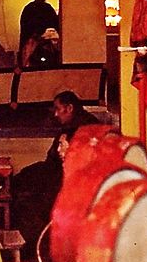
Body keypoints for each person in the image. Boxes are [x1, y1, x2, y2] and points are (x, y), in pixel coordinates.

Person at [11, 90, 98, 248]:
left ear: (69, 108)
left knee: (30, 200)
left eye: (58, 109)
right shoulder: (71, 124)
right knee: (21, 177)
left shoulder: (85, 127)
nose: (56, 114)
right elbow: (53, 158)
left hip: (68, 177)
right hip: (55, 170)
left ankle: (37, 245)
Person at [19, 0, 59, 68]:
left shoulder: (48, 9)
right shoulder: (29, 9)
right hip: (32, 42)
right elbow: (25, 27)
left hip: (47, 43)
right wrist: (35, 36)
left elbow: (55, 25)